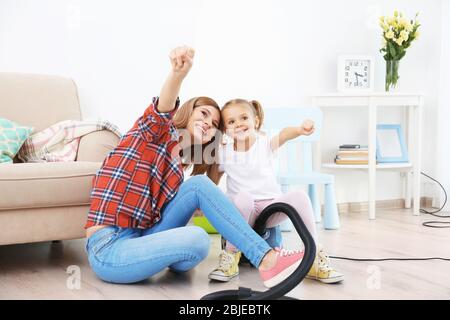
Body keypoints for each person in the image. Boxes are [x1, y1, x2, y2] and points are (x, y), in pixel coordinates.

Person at [84, 46, 303, 289]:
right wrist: (178, 74)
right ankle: (267, 258)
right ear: (187, 112)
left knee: (198, 195)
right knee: (198, 238)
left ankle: (247, 251)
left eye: (214, 123)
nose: (208, 123)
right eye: (204, 113)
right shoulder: (154, 133)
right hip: (110, 246)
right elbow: (162, 109)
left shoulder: (177, 168)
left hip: (142, 235)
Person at [207, 98, 344, 284]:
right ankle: (230, 256)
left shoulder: (265, 144)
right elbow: (212, 182)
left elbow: (284, 134)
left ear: (255, 121)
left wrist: (299, 130)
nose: (238, 124)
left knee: (300, 197)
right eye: (231, 122)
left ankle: (313, 256)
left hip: (270, 209)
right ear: (225, 130)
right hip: (242, 214)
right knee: (244, 198)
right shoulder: (224, 152)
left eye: (243, 118)